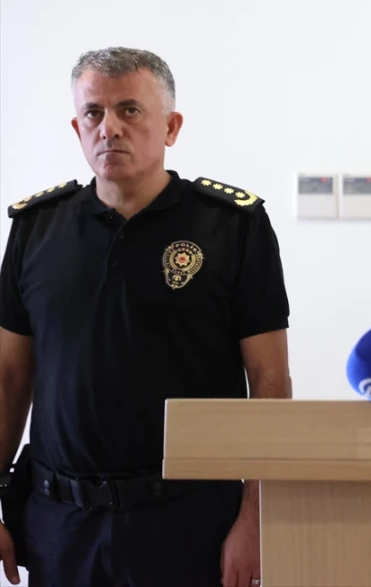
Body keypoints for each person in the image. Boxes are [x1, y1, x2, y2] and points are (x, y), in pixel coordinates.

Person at [0, 47, 292, 587]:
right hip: (61, 526)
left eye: (130, 110)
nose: (109, 128)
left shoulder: (232, 226)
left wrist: (257, 515)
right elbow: (10, 379)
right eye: (93, 113)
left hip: (188, 524)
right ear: (77, 128)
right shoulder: (35, 230)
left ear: (171, 127)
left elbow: (270, 382)